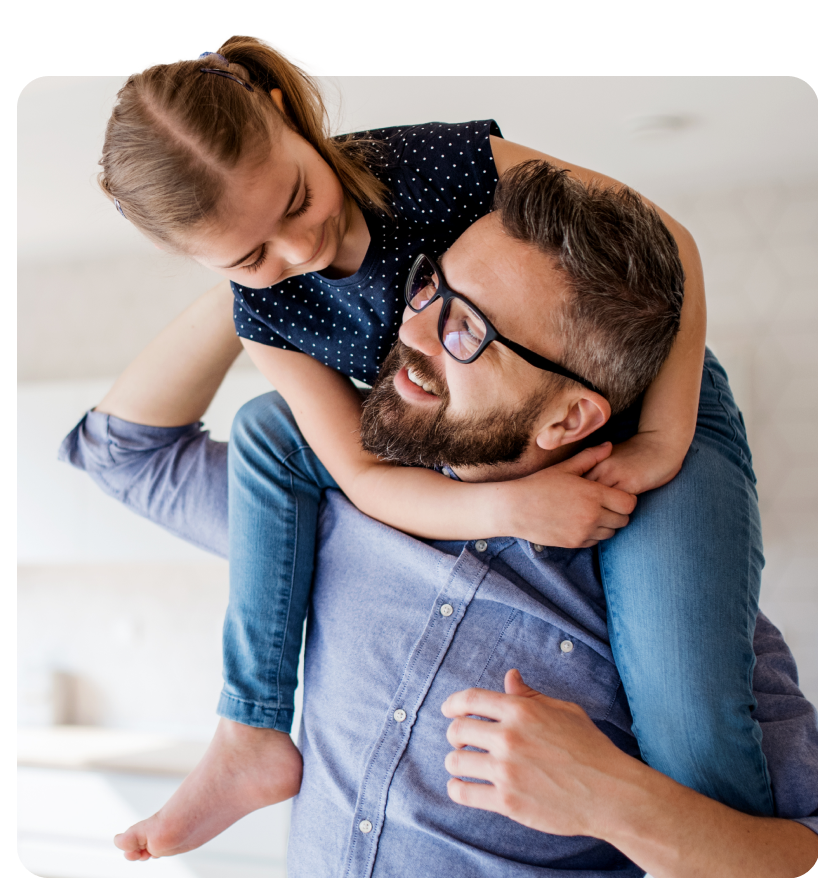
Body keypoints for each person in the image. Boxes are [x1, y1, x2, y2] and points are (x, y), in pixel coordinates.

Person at [75, 33, 768, 856]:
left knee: (693, 732)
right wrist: (509, 504)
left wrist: (662, 440)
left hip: (658, 387)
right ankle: (249, 725)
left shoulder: (432, 161)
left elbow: (670, 245)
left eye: (297, 200)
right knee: (269, 426)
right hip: (486, 446)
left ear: (283, 112)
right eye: (251, 254)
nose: (302, 253)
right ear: (198, 260)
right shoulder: (264, 315)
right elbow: (364, 476)